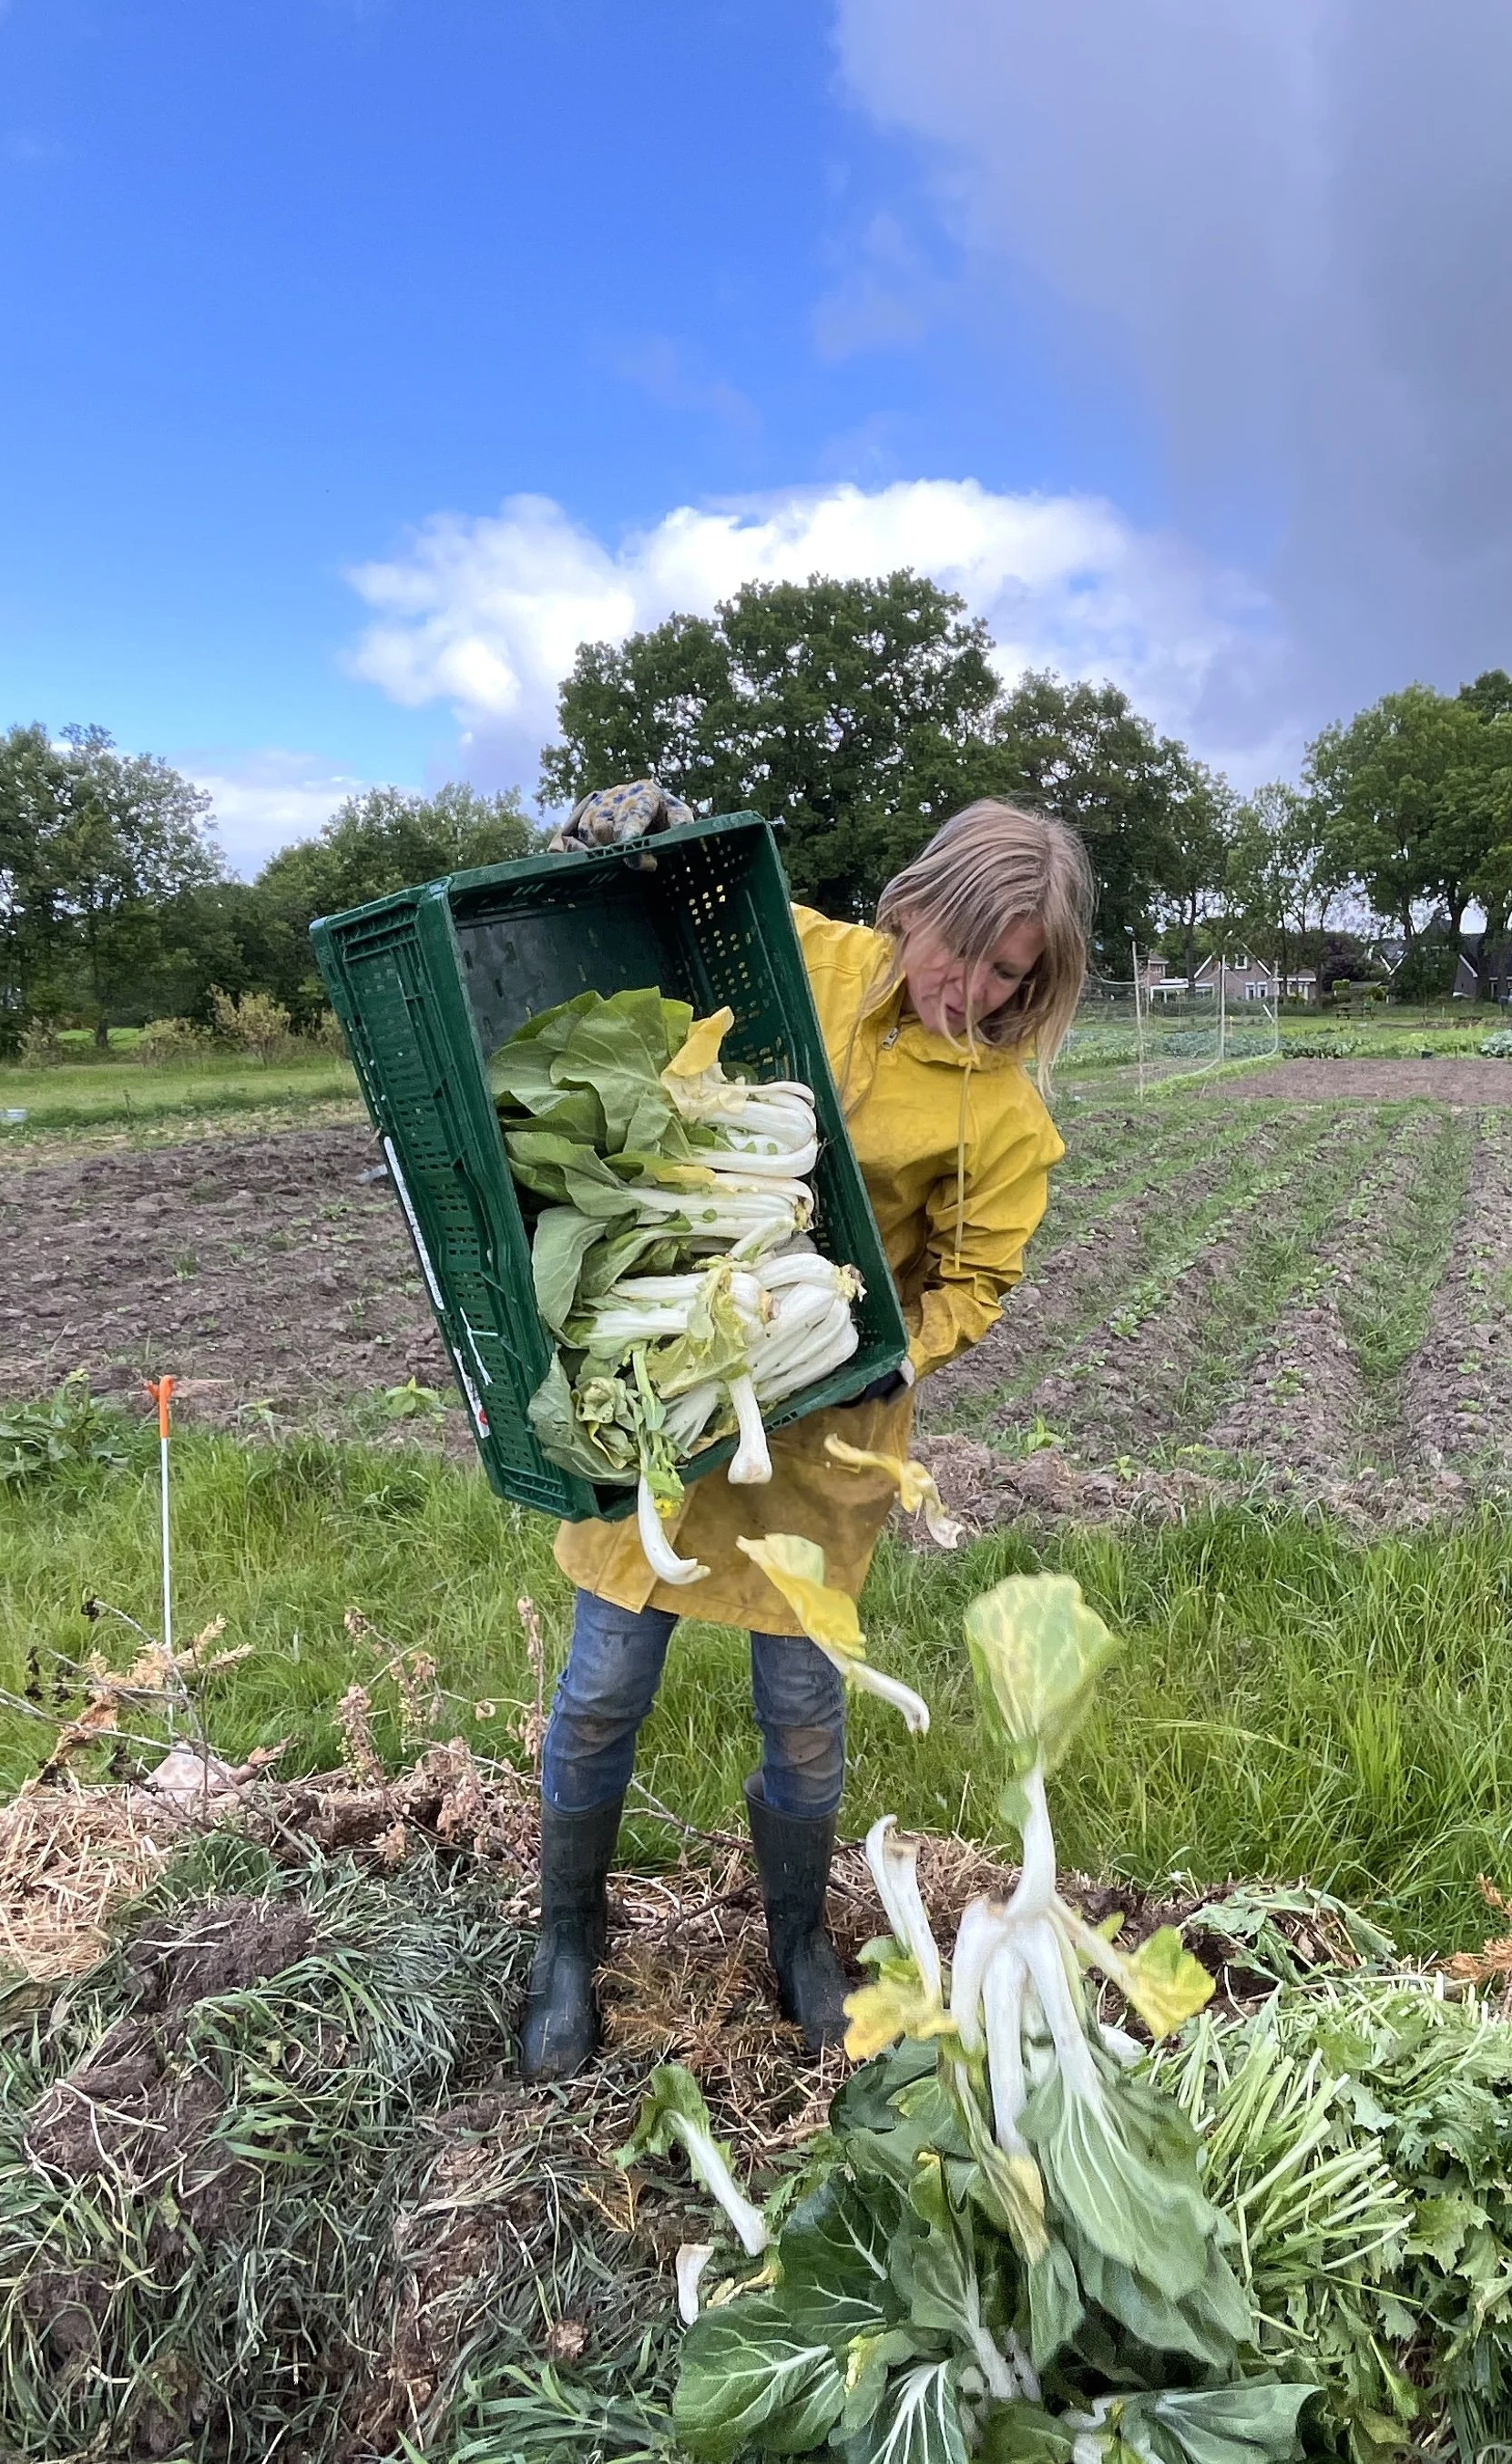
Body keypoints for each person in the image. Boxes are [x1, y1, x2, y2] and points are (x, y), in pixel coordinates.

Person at [522, 789, 1095, 2080]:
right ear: (917, 904)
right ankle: (567, 1938)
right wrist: (634, 828)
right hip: (675, 1396)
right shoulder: (803, 957)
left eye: (1013, 976)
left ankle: (798, 1938)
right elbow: (671, 905)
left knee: (803, 1706)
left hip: (824, 1417)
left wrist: (865, 1348)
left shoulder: (1002, 1110)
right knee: (606, 1676)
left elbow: (976, 1284)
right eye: (965, 950)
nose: (977, 992)